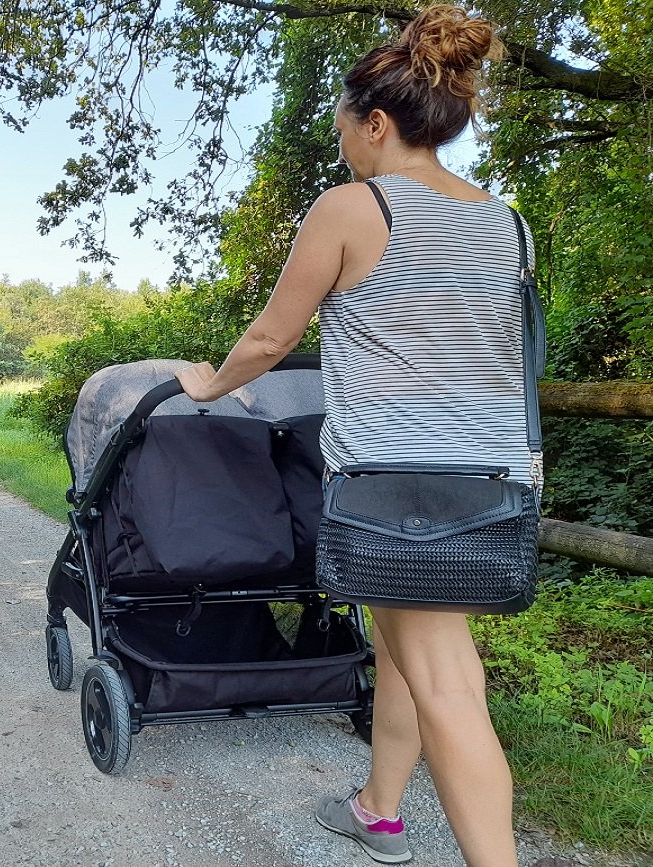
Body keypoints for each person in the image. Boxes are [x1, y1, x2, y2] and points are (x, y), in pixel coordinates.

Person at [174, 6, 532, 867]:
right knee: (411, 648)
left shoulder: (352, 205)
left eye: (343, 129)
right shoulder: (505, 220)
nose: (340, 145)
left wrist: (206, 385)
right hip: (493, 477)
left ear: (375, 123)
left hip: (399, 482)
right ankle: (379, 808)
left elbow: (268, 339)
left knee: (445, 677)